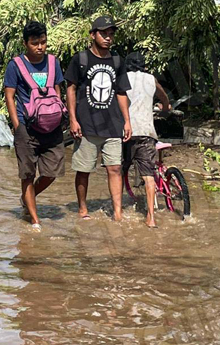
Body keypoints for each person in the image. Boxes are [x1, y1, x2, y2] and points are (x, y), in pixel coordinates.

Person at [65, 16, 132, 221]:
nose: (108, 38)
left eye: (111, 34)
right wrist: (73, 119)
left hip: (113, 124)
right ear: (93, 34)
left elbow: (121, 92)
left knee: (114, 168)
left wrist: (127, 121)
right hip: (87, 125)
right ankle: (83, 209)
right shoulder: (81, 59)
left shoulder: (117, 61)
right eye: (103, 33)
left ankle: (118, 213)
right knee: (84, 170)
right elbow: (71, 88)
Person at [4, 21, 66, 232]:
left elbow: (57, 89)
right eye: (35, 43)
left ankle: (27, 197)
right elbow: (10, 96)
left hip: (52, 127)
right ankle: (34, 219)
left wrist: (57, 113)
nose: (40, 47)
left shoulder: (53, 62)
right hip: (26, 128)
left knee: (53, 171)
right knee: (28, 174)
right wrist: (17, 124)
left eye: (43, 42)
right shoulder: (15, 65)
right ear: (25, 44)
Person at [123, 51, 170, 228]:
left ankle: (118, 211)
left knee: (119, 170)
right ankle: (151, 217)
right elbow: (164, 97)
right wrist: (165, 108)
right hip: (147, 132)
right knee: (149, 175)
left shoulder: (122, 79)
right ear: (144, 66)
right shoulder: (151, 79)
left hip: (126, 132)